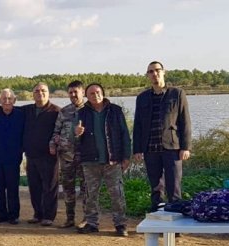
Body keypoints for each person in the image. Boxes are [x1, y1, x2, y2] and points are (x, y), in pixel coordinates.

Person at [133, 61, 192, 212]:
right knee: (156, 187)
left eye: (157, 70)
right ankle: (157, 220)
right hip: (150, 149)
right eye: (151, 72)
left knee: (174, 186)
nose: (154, 74)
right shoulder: (142, 98)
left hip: (172, 148)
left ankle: (175, 225)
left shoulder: (177, 94)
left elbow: (185, 121)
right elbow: (138, 125)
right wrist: (137, 149)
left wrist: (185, 147)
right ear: (147, 75)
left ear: (164, 72)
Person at [75, 83, 131, 236]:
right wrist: (77, 133)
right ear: (87, 96)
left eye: (98, 92)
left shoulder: (115, 111)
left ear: (103, 93)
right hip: (90, 161)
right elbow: (74, 138)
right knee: (90, 196)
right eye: (91, 93)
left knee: (117, 194)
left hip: (112, 161)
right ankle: (92, 224)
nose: (95, 95)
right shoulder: (82, 113)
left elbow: (124, 135)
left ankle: (120, 224)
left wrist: (126, 156)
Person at [49, 80, 87, 228]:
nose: (73, 95)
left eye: (75, 92)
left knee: (86, 189)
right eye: (70, 92)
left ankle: (86, 218)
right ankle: (69, 218)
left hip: (85, 157)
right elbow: (56, 132)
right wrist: (52, 143)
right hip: (66, 157)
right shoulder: (64, 112)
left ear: (82, 92)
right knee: (68, 189)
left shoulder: (89, 110)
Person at [22, 83, 61, 226]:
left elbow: (63, 130)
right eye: (37, 91)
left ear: (48, 93)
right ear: (33, 94)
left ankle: (49, 216)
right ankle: (38, 214)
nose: (40, 93)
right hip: (31, 155)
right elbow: (9, 108)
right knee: (34, 187)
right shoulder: (27, 110)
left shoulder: (56, 111)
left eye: (43, 91)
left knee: (49, 187)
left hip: (48, 156)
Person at [0, 89, 25, 225]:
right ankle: (1, 214)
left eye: (10, 99)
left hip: (13, 157)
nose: (7, 101)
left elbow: (31, 107)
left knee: (12, 187)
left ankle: (14, 215)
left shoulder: (21, 114)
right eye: (4, 99)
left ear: (14, 101)